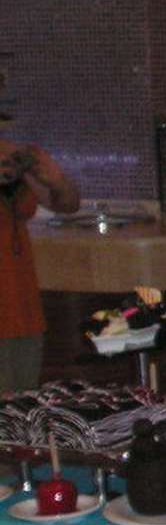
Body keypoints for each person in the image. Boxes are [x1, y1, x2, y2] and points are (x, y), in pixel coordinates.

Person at [0, 138, 80, 391]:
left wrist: (56, 180)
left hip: (22, 305)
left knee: (24, 400)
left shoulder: (15, 154)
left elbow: (68, 203)